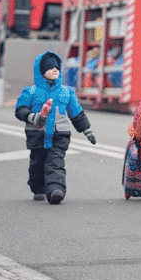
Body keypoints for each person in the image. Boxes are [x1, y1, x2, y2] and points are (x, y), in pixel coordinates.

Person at [15, 51, 96, 204]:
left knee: (56, 163)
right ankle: (38, 188)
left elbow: (76, 113)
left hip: (59, 135)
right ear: (40, 71)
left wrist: (87, 130)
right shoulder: (31, 92)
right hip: (37, 135)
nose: (54, 70)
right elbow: (20, 110)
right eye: (50, 67)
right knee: (37, 165)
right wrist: (33, 117)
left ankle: (55, 190)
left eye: (57, 68)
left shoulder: (66, 92)